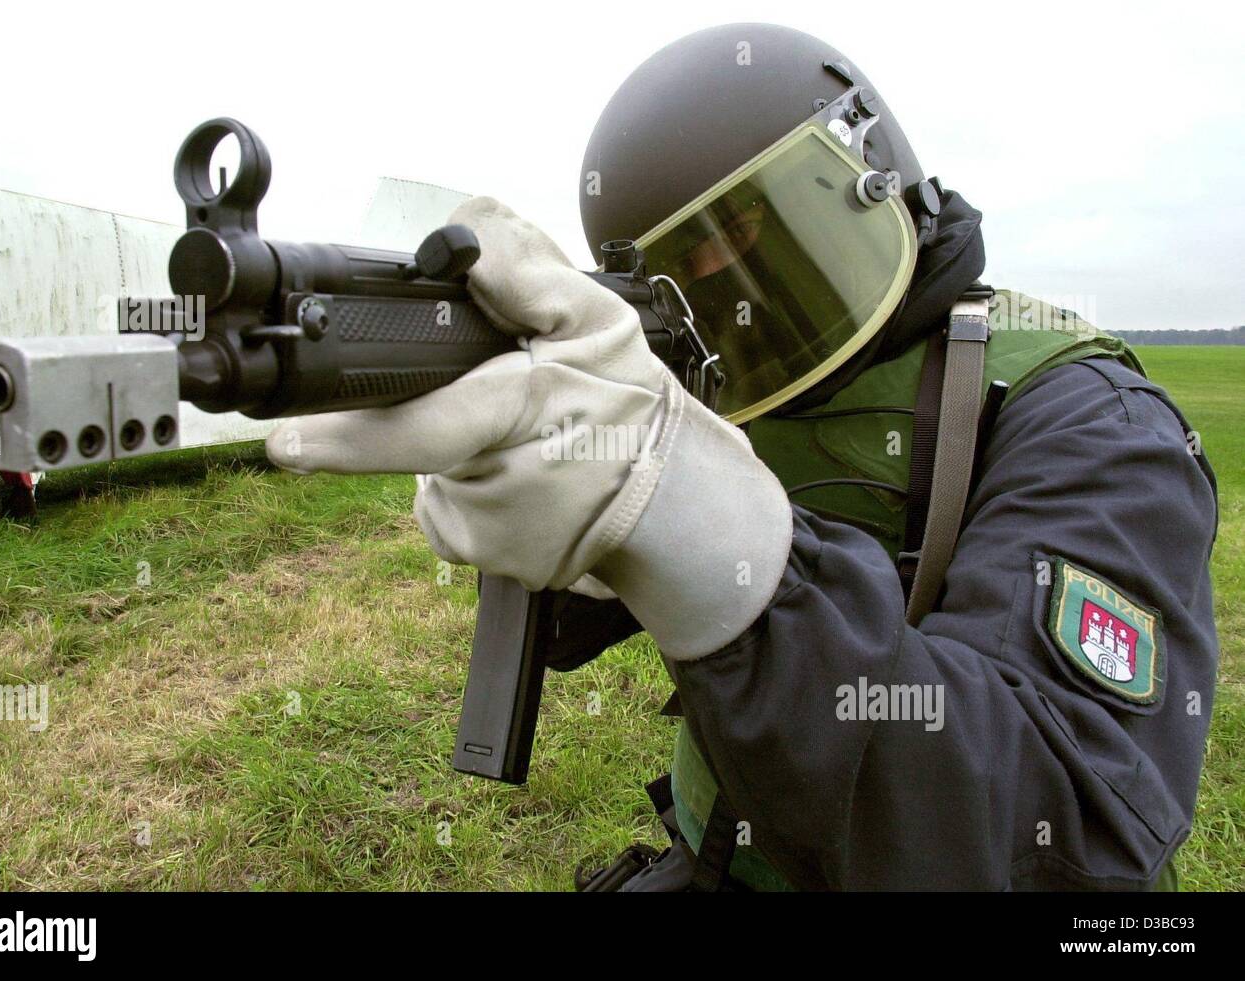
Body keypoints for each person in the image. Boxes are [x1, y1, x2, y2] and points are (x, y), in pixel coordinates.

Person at [267, 23, 1218, 891]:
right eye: (691, 283)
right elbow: (581, 618)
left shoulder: (1091, 422)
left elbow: (1058, 830)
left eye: (753, 236)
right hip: (729, 853)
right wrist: (572, 519)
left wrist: (717, 539)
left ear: (866, 173)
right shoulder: (733, 375)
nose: (736, 304)